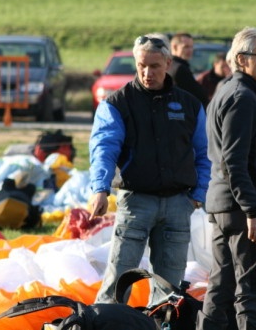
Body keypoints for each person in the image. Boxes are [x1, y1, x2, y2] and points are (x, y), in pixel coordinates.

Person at [88, 34, 210, 304]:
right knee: (118, 281)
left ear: (168, 63)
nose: (147, 73)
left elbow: (204, 154)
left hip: (178, 205)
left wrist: (197, 195)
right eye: (141, 65)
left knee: (170, 291)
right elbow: (103, 149)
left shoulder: (190, 105)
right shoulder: (116, 104)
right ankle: (107, 321)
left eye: (154, 66)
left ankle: (161, 322)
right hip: (136, 203)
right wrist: (100, 189)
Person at [197, 27, 256, 330]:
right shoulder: (242, 98)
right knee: (251, 292)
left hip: (223, 205)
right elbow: (234, 161)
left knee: (220, 288)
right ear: (242, 59)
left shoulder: (226, 90)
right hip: (241, 209)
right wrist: (253, 211)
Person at [169, 32, 209, 107]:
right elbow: (197, 95)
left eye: (191, 47)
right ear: (175, 47)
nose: (190, 50)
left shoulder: (168, 65)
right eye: (186, 47)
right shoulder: (180, 68)